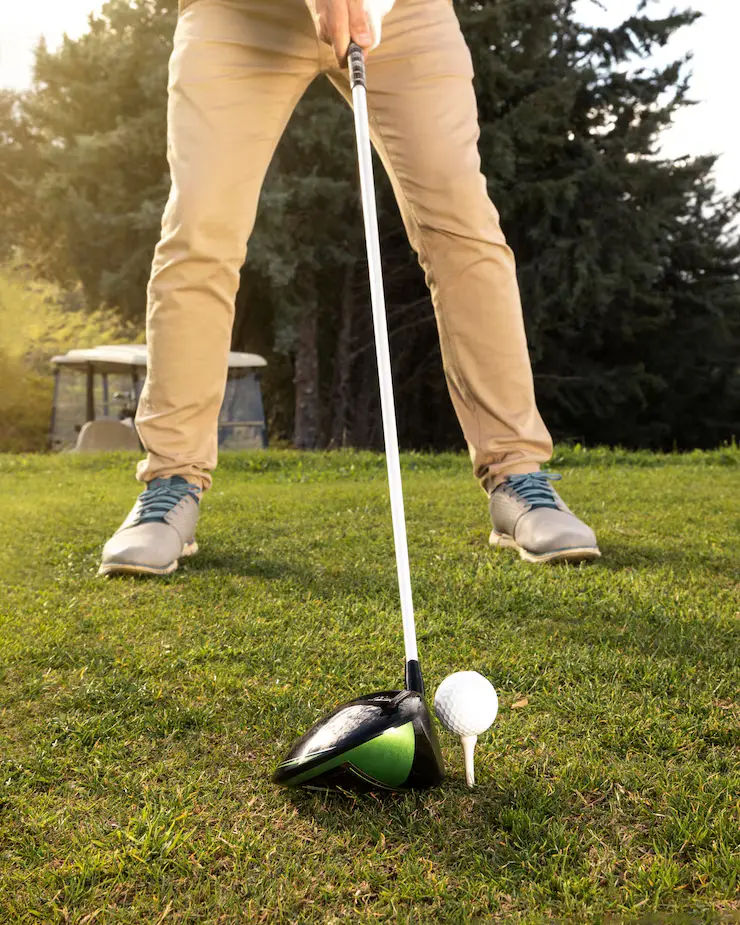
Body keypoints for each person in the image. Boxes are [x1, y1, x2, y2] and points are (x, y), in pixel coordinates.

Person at [100, 0, 600, 576]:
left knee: (463, 229)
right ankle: (171, 483)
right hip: (237, 13)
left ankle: (518, 476)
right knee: (199, 232)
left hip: (404, 13)